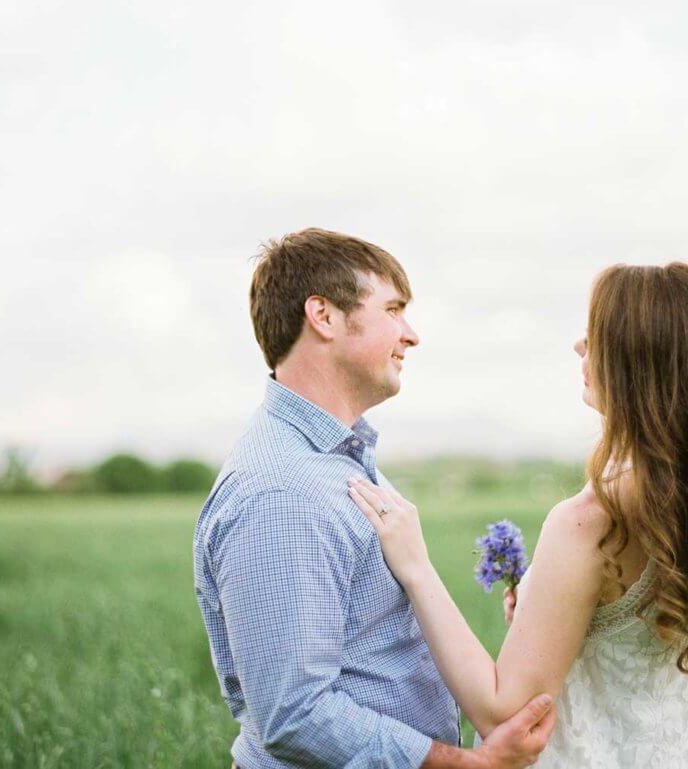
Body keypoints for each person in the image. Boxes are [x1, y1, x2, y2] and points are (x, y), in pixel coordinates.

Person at [349, 262, 688, 768]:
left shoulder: (591, 523)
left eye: (598, 333)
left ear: (641, 364)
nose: (580, 345)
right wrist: (564, 621)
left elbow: (504, 711)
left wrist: (416, 569)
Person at [193, 228, 556, 769]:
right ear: (324, 316)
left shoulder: (340, 458)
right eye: (393, 309)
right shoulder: (284, 495)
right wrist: (468, 765)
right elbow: (295, 715)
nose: (410, 334)